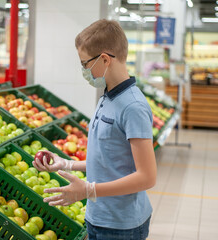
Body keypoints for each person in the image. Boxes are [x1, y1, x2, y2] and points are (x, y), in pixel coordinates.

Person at [33, 19, 157, 240]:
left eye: (84, 63)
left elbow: (147, 177)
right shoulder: (107, 96)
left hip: (121, 226)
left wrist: (89, 190)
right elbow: (108, 160)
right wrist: (68, 164)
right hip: (97, 216)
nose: (84, 70)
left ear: (105, 59)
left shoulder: (133, 107)